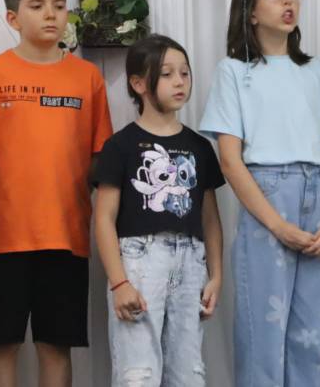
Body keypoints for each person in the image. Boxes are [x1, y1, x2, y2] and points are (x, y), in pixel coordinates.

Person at [200, 0, 320, 386]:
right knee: (263, 335)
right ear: (250, 10)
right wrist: (278, 225)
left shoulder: (313, 70)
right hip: (268, 197)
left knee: (319, 337)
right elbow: (230, 160)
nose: (288, 1)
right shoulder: (233, 71)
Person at [0, 0, 113, 387]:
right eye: (37, 5)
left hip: (66, 235)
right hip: (0, 236)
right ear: (13, 18)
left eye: (59, 5)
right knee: (0, 343)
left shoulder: (88, 78)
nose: (50, 14)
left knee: (55, 346)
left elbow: (101, 156)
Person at [93, 34, 224, 386]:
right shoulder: (120, 145)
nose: (179, 81)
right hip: (139, 262)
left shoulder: (199, 147)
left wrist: (215, 275)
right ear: (138, 84)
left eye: (184, 72)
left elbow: (210, 219)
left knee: (188, 372)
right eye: (166, 74)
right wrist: (119, 282)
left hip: (191, 262)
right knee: (138, 372)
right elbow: (103, 218)